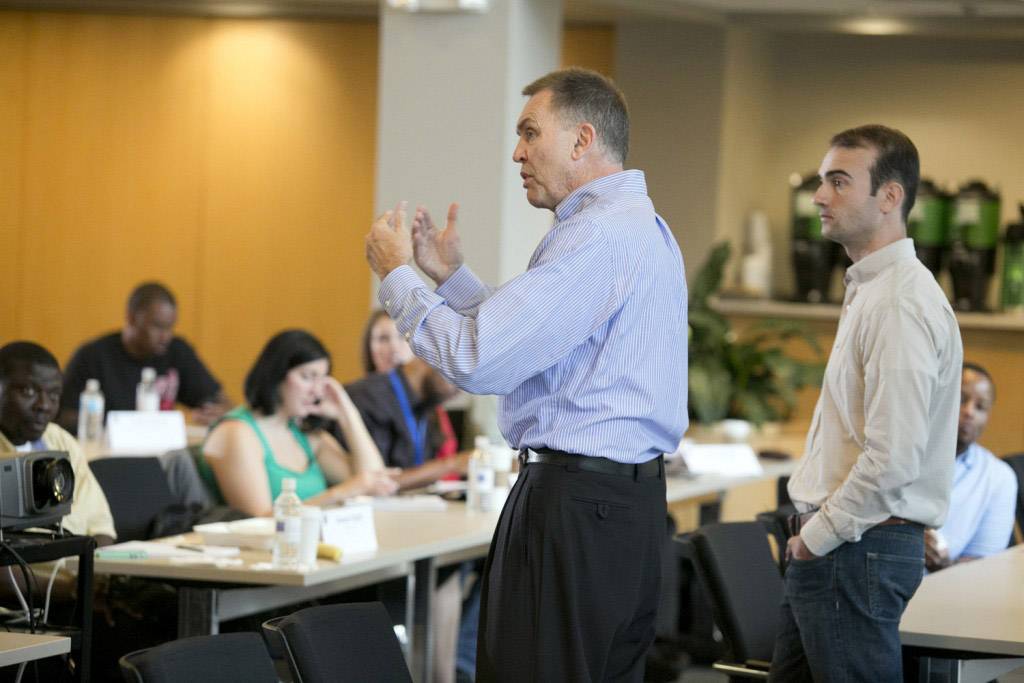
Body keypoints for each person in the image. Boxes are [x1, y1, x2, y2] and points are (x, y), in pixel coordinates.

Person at [365, 67, 688, 682]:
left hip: (576, 508)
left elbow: (478, 359)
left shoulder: (598, 234)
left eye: (529, 133)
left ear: (581, 139)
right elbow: (536, 347)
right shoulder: (633, 226)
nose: (517, 152)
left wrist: (397, 276)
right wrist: (452, 279)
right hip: (624, 508)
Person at [770, 125, 963, 682]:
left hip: (854, 549)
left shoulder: (899, 300)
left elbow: (893, 458)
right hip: (846, 549)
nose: (819, 197)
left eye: (838, 182)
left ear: (890, 197)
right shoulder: (874, 289)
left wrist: (816, 538)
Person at [196, 329, 398, 517]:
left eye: (322, 380)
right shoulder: (237, 433)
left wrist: (348, 414)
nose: (318, 391)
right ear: (277, 374)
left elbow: (376, 481)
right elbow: (260, 522)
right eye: (308, 377)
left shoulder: (304, 434)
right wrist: (343, 492)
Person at [59, 281, 231, 432]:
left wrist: (222, 413)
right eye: (158, 326)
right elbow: (62, 416)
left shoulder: (177, 351)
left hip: (159, 451)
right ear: (132, 318)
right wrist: (121, 425)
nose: (166, 336)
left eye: (170, 327)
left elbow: (222, 402)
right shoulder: (92, 356)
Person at [0, 341, 115, 543]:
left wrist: (90, 571)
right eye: (28, 391)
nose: (44, 405)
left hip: (78, 570)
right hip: (31, 574)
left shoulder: (60, 441)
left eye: (54, 395)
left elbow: (101, 528)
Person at [926, 363, 1017, 572]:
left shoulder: (998, 477)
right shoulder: (899, 455)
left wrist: (943, 565)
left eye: (980, 407)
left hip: (949, 590)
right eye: (961, 400)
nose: (969, 412)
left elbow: (983, 565)